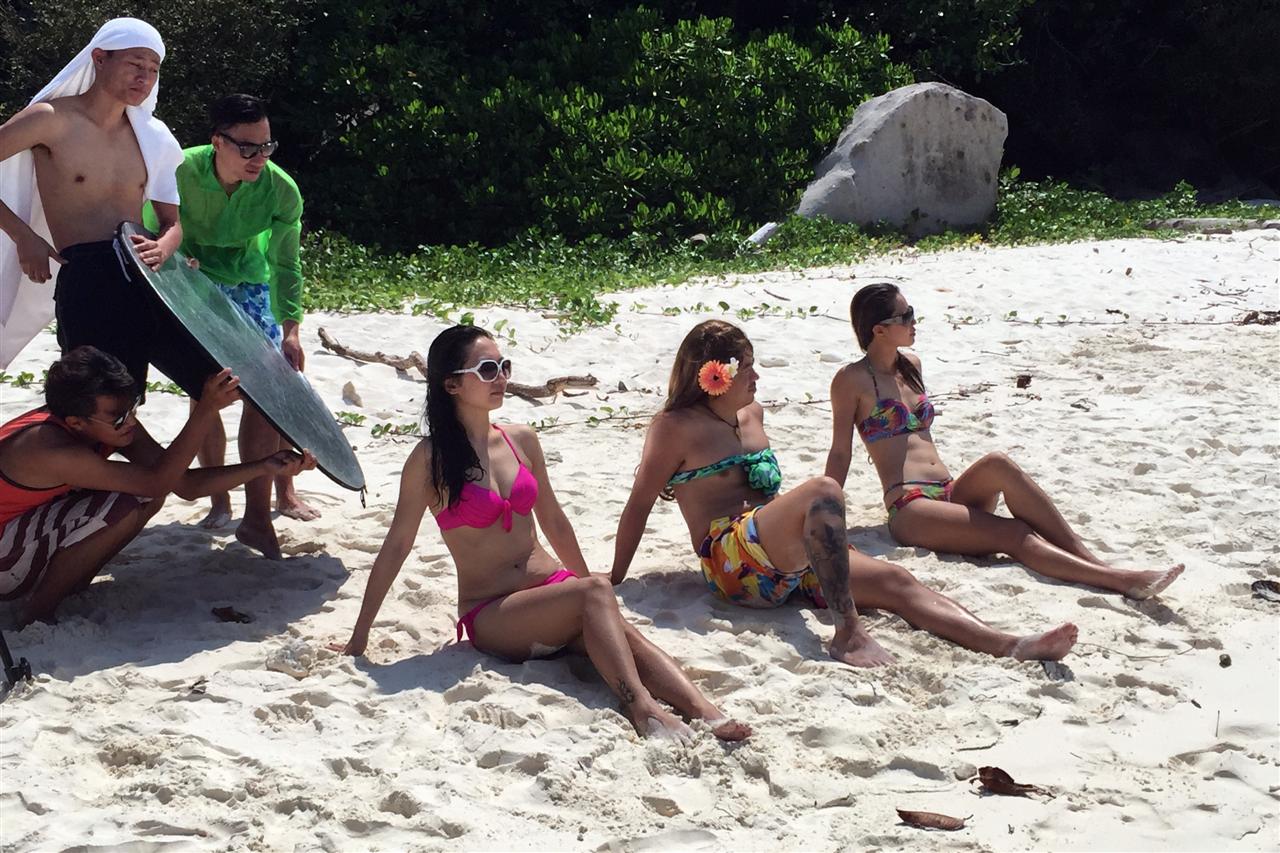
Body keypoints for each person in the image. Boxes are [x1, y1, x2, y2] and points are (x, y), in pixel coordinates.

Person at [334, 325, 750, 742]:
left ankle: (706, 712)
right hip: (493, 611)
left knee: (623, 632)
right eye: (487, 369)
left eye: (504, 366)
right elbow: (397, 546)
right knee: (593, 596)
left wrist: (589, 586)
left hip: (553, 590)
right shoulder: (430, 461)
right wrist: (359, 637)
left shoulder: (521, 439)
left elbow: (554, 520)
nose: (501, 377)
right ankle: (643, 709)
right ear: (452, 384)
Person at [612, 320, 1079, 667]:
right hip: (731, 563)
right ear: (716, 375)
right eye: (747, 368)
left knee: (898, 582)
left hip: (784, 553)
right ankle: (847, 631)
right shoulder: (674, 427)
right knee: (823, 489)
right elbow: (639, 503)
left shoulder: (753, 413)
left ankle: (1009, 644)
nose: (757, 377)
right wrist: (614, 578)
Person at [824, 282, 1184, 599]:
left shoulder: (911, 365)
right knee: (1014, 533)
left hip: (951, 492)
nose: (914, 322)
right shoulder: (851, 380)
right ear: (880, 330)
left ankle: (1093, 562)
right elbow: (841, 453)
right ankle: (1120, 581)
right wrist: (826, 513)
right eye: (906, 316)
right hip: (912, 507)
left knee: (999, 463)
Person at [0, 346, 315, 626]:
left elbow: (183, 484)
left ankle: (71, 583)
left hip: (20, 534)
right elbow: (157, 482)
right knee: (120, 504)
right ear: (75, 423)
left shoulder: (103, 423)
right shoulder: (51, 450)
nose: (130, 421)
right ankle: (37, 613)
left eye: (133, 407)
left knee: (143, 495)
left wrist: (264, 466)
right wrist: (206, 409)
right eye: (118, 417)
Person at [0, 17, 211, 402]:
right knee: (99, 405)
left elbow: (172, 224)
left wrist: (164, 246)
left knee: (211, 383)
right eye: (135, 64)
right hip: (88, 275)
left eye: (153, 69)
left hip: (146, 275)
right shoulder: (51, 120)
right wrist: (23, 236)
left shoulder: (154, 137)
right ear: (99, 58)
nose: (144, 77)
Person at [147, 93, 318, 546]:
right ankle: (219, 500)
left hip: (249, 279)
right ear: (217, 142)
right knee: (208, 390)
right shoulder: (179, 170)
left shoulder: (281, 189)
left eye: (266, 146)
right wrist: (178, 267)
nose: (259, 158)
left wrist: (292, 330)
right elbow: (151, 231)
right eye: (247, 148)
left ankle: (273, 500)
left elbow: (286, 265)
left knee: (270, 391)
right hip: (190, 279)